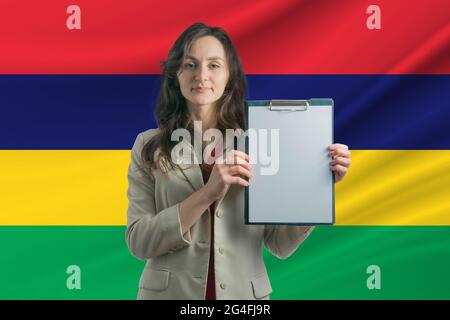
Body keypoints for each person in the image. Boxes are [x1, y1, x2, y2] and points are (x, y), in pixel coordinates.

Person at [125, 22, 351, 300]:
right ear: (176, 74)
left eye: (214, 65)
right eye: (190, 64)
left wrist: (317, 184)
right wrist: (208, 193)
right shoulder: (148, 146)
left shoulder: (261, 140)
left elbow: (280, 245)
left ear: (230, 75)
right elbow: (139, 242)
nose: (202, 76)